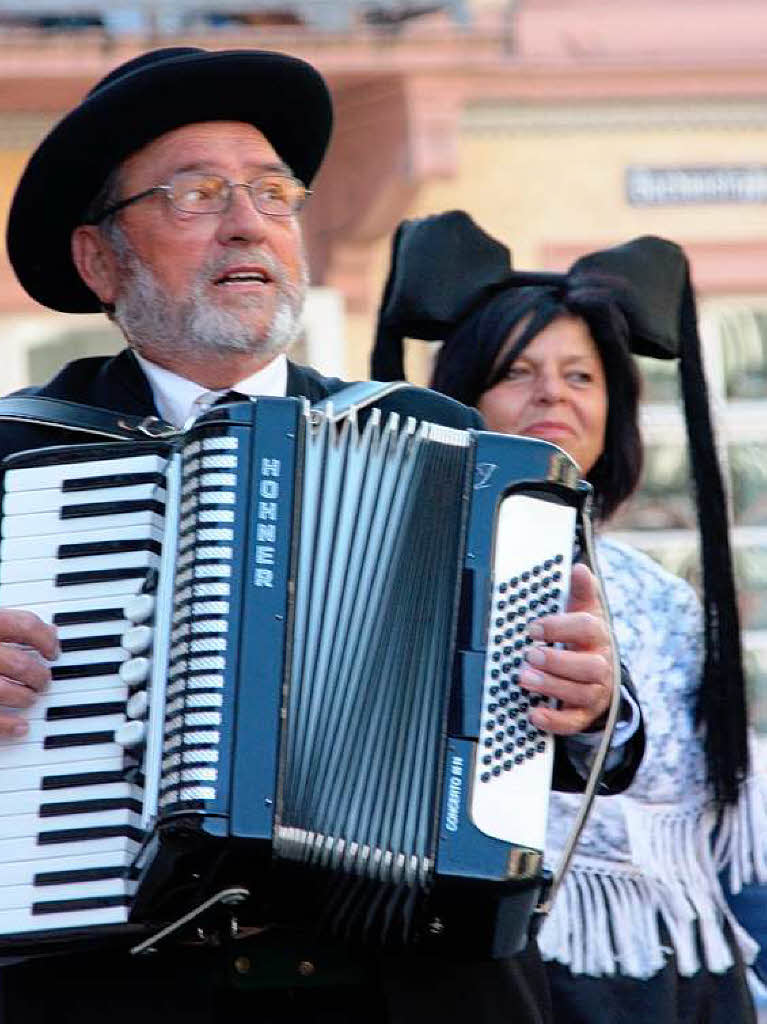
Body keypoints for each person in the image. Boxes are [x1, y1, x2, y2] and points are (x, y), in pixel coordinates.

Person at [0, 49, 643, 1024]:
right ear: (99, 258)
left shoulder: (445, 439)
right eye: (194, 194)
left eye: (271, 193)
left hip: (413, 987)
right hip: (123, 987)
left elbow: (587, 740)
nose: (246, 220)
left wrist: (591, 698)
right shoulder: (23, 454)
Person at [371, 211, 766, 1023]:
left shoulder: (660, 594)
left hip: (673, 968)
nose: (552, 392)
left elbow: (721, 827)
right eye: (517, 370)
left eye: (580, 376)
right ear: (462, 398)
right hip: (487, 964)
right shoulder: (394, 563)